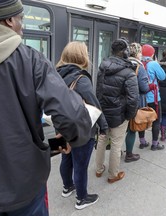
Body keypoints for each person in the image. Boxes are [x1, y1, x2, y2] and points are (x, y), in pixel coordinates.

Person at [0, 0, 92, 215]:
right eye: (21, 19)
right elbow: (71, 117)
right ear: (9, 20)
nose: (22, 26)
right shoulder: (31, 59)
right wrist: (72, 138)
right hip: (24, 188)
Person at [56, 41, 108, 210]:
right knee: (80, 165)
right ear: (81, 56)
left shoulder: (55, 74)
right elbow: (94, 106)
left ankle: (67, 187)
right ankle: (81, 198)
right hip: (81, 130)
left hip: (61, 128)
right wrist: (104, 127)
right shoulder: (81, 79)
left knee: (65, 157)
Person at [95, 38, 139, 183]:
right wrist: (129, 115)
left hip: (103, 111)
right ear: (124, 51)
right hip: (119, 114)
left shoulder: (103, 67)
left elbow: (98, 91)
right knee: (116, 143)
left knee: (102, 139)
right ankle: (113, 175)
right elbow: (133, 99)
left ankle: (99, 169)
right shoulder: (129, 72)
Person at [124, 42, 149, 162]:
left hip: (122, 100)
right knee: (132, 129)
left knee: (120, 128)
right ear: (138, 53)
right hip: (135, 101)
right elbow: (144, 88)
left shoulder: (123, 63)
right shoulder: (140, 67)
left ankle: (118, 151)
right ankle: (129, 154)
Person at [140, 44, 166, 151]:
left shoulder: (138, 63)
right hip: (153, 99)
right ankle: (154, 144)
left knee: (140, 120)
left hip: (141, 98)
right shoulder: (153, 64)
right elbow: (163, 76)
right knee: (156, 120)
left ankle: (142, 142)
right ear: (152, 53)